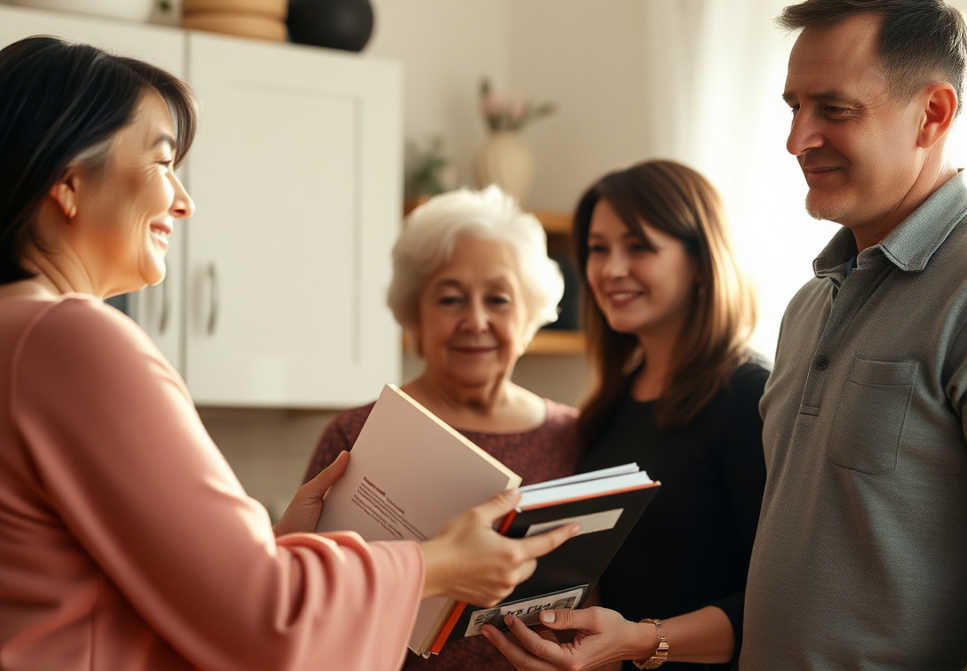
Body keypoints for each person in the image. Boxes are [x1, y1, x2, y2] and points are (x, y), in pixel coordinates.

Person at [0, 36, 577, 671]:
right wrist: (439, 564)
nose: (184, 201)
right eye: (164, 163)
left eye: (498, 300)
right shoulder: (73, 340)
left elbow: (179, 590)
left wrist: (281, 549)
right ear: (70, 181)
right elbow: (262, 613)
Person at [739, 1, 967, 669]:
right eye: (793, 107)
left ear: (934, 114)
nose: (797, 139)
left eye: (834, 110)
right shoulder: (809, 304)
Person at [483, 159, 769, 670]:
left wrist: (641, 641)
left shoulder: (750, 398)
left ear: (701, 261)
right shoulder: (611, 404)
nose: (611, 269)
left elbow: (777, 606)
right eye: (597, 249)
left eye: (639, 246)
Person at [303, 185, 585, 671]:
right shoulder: (358, 433)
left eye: (498, 300)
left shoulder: (575, 433)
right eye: (451, 299)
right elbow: (306, 597)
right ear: (415, 313)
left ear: (530, 313)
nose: (475, 321)